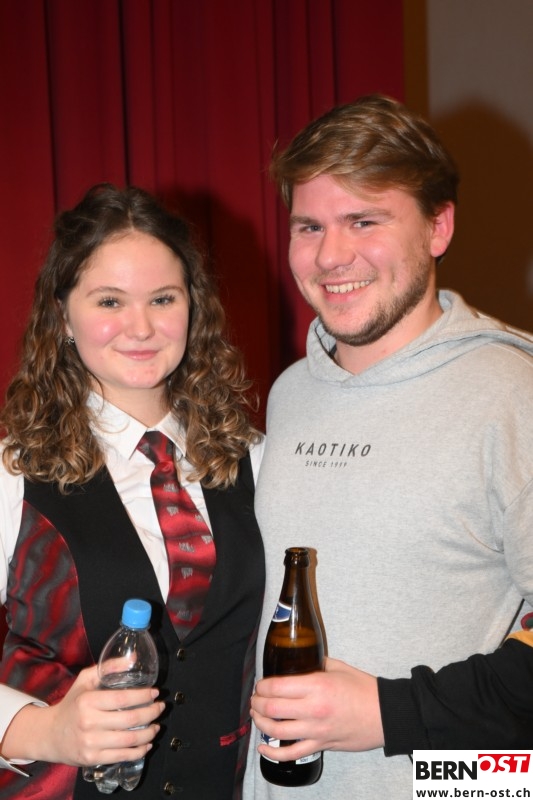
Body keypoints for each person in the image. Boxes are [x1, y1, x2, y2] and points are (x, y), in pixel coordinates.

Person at [245, 94, 533, 800]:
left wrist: (387, 711)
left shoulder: (512, 392)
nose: (330, 255)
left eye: (364, 221)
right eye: (309, 226)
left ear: (438, 227)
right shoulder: (290, 392)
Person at [0, 183, 265, 800]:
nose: (141, 327)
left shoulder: (256, 456)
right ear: (62, 316)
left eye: (163, 298)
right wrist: (42, 729)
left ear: (193, 306)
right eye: (110, 301)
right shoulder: (13, 470)